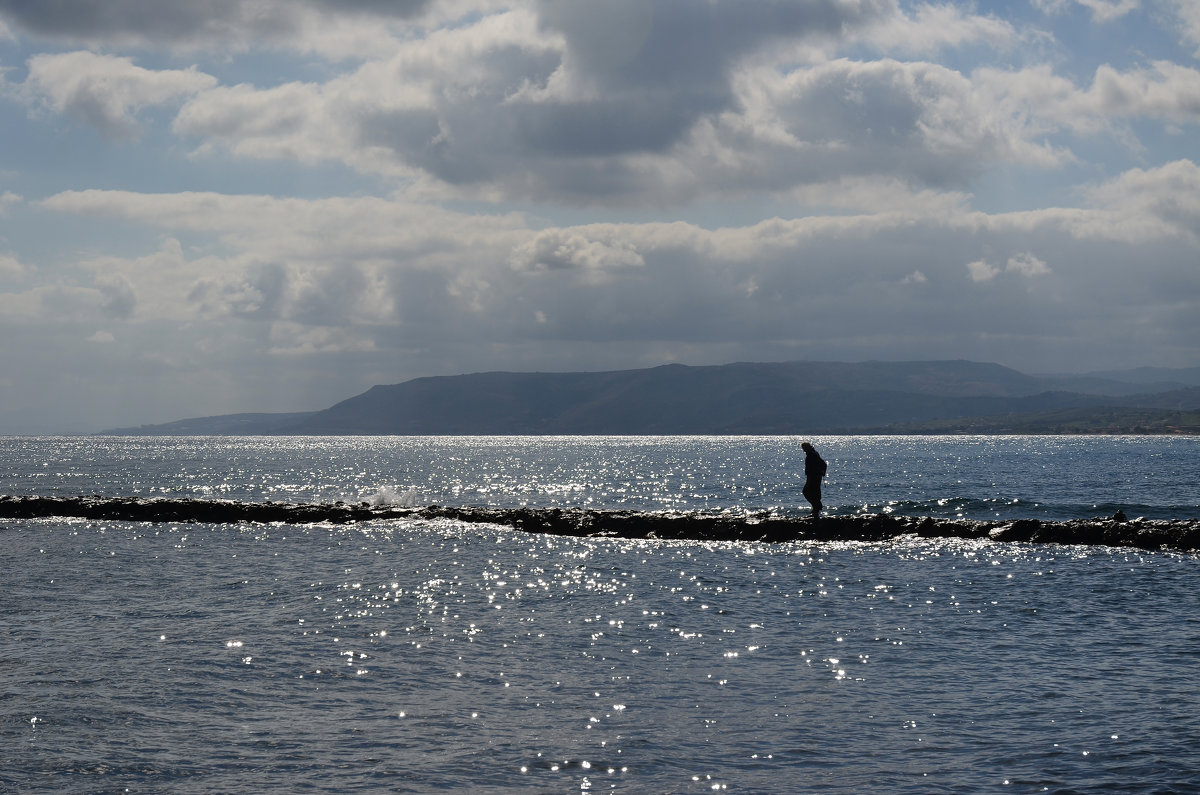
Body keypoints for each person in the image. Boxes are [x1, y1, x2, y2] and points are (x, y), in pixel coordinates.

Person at [800, 442, 827, 518]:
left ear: (807, 447)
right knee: (814, 492)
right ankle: (816, 509)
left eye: (804, 448)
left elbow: (823, 464)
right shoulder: (813, 453)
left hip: (813, 477)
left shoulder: (812, 454)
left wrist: (821, 472)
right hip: (814, 476)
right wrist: (822, 472)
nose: (804, 450)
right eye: (803, 448)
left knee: (807, 491)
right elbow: (823, 464)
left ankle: (817, 507)